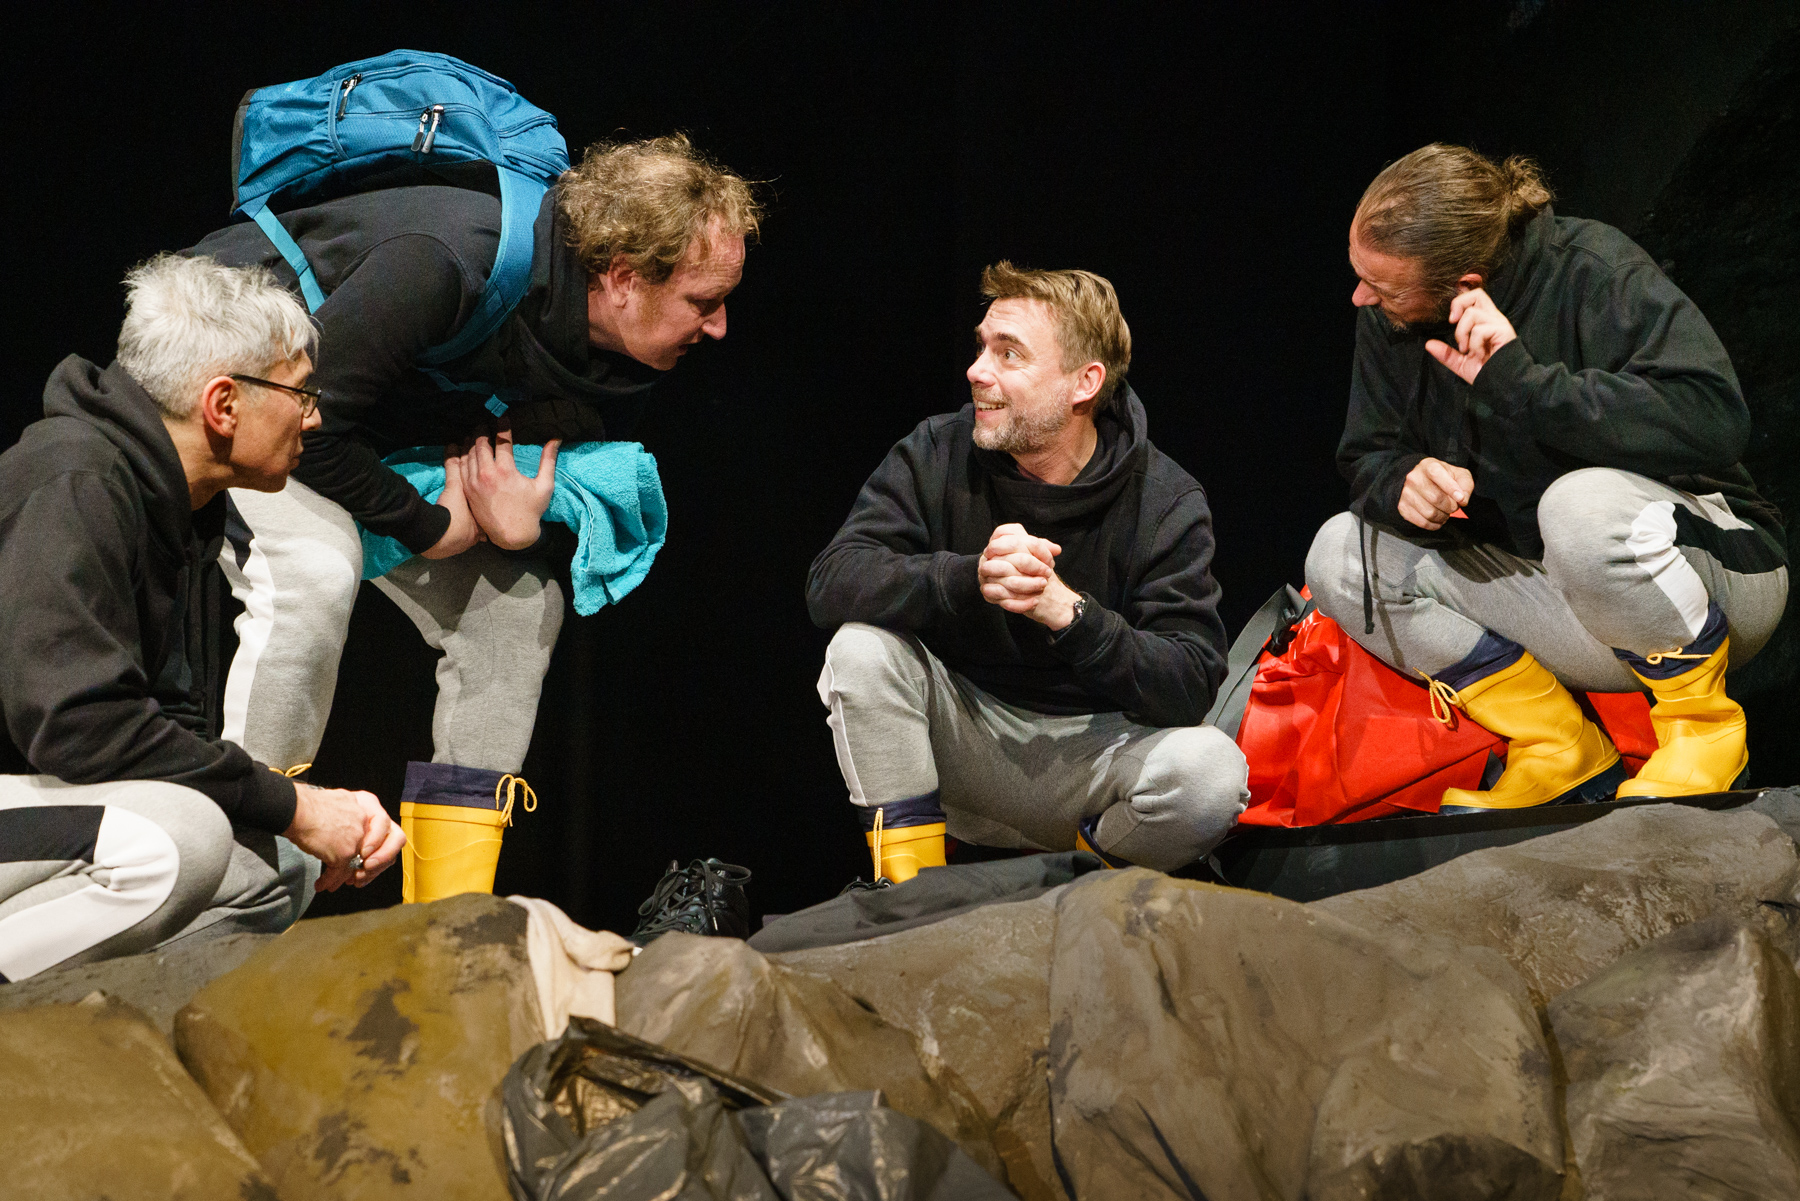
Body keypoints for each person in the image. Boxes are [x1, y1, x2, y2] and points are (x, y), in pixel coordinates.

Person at [185, 135, 761, 854]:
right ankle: (244, 859)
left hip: (360, 439)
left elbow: (570, 504)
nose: (719, 326)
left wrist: (527, 532)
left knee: (519, 604)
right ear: (622, 278)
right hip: (243, 401)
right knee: (314, 571)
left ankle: (447, 915)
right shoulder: (452, 257)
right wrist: (427, 524)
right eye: (703, 302)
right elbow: (309, 424)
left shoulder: (619, 363)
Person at [1305, 143, 1788, 811]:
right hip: (1570, 602)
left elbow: (1715, 417)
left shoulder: (1593, 269)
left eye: (1381, 286)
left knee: (1578, 507)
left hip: (1714, 574)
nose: (1360, 296)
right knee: (1340, 554)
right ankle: (1559, 748)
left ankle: (1703, 732)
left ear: (1465, 282)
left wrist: (1525, 385)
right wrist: (1404, 481)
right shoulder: (1389, 320)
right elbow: (1367, 454)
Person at [0, 255, 402, 981]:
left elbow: (167, 716)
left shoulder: (178, 501)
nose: (315, 417)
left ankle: (89, 1044)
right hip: (29, 789)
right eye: (302, 392)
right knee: (176, 841)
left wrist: (292, 820)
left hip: (36, 807)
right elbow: (76, 726)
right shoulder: (75, 482)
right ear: (224, 405)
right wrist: (292, 802)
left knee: (276, 865)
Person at [807, 263, 1249, 882]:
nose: (977, 371)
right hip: (959, 748)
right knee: (860, 650)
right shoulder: (935, 451)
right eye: (982, 346)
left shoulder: (1165, 499)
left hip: (1096, 762)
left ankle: (1072, 892)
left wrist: (1072, 615)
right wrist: (968, 579)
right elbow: (832, 582)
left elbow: (1190, 681)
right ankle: (908, 904)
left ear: (1083, 383)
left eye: (1008, 354)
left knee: (1211, 772)